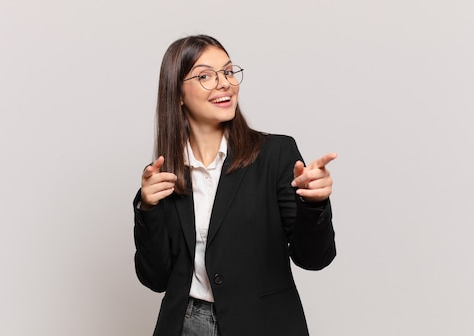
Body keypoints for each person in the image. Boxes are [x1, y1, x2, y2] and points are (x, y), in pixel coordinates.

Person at [133, 34, 337, 336]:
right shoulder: (163, 176)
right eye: (206, 76)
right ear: (177, 93)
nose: (224, 83)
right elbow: (156, 279)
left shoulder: (276, 155)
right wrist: (147, 207)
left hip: (262, 324)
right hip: (185, 325)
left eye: (228, 72)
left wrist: (314, 203)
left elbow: (314, 258)